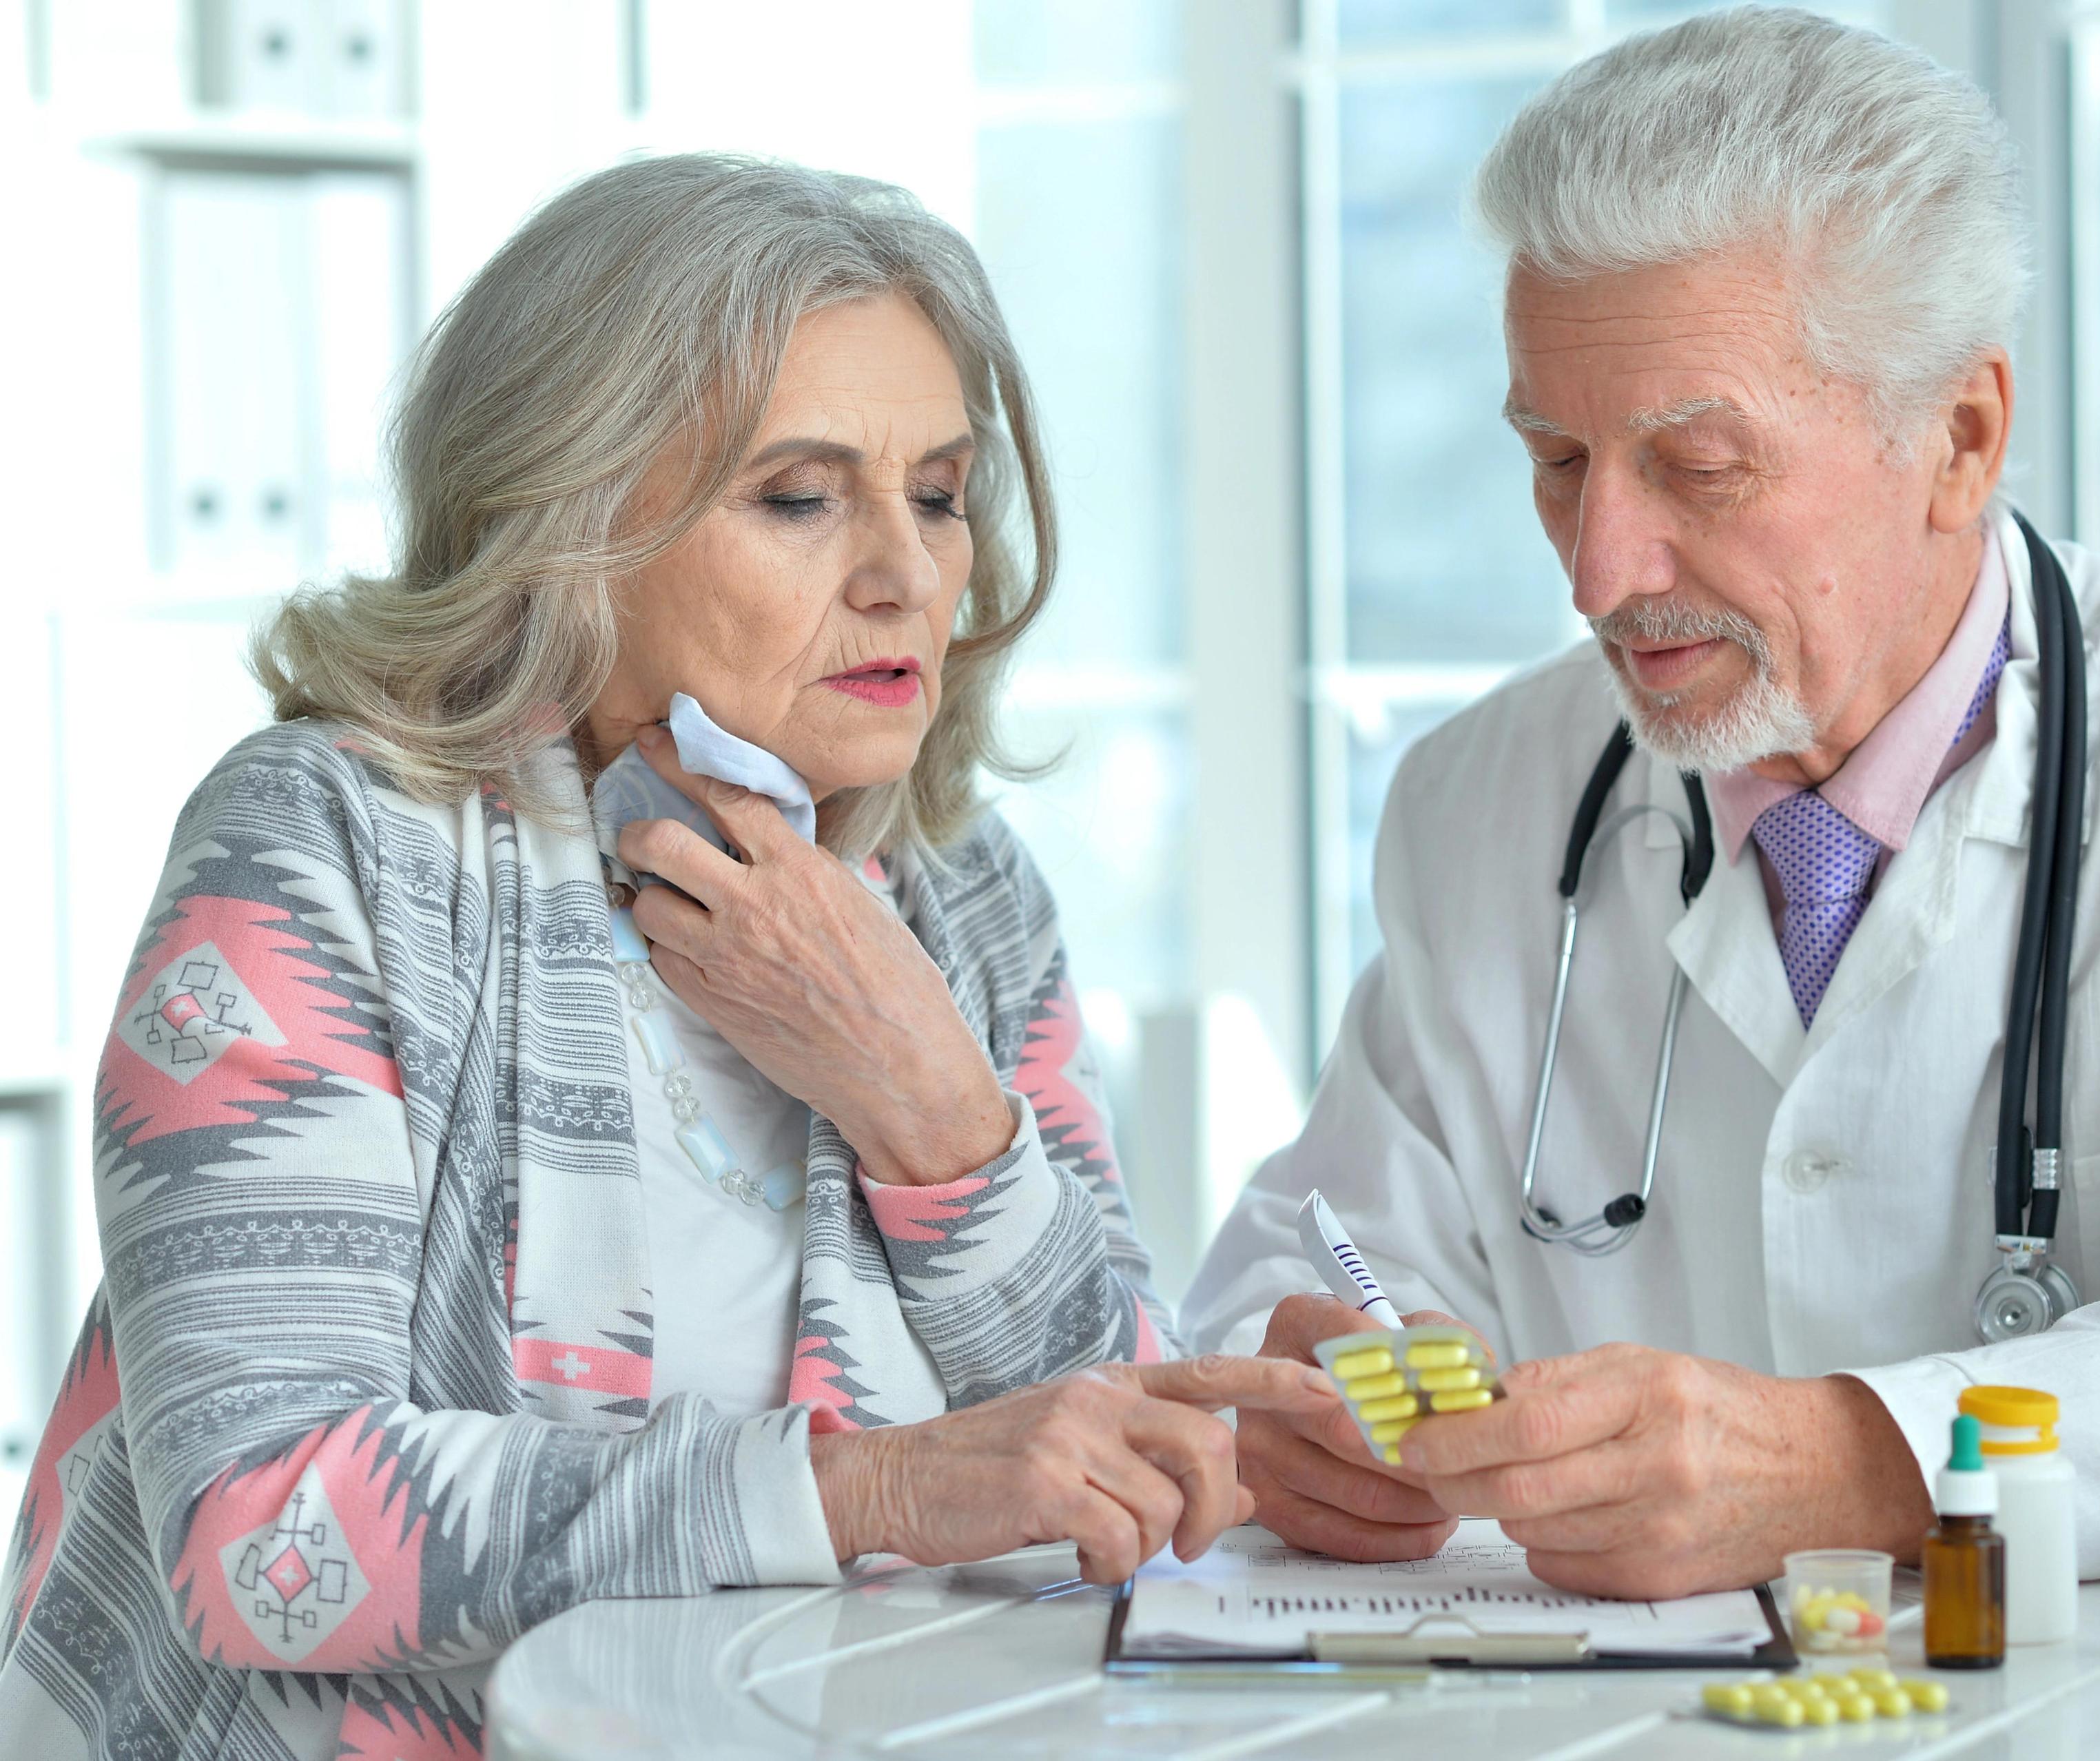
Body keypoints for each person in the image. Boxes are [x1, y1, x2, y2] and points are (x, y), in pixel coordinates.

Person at [1185, 7, 2100, 1601]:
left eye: (1696, 464)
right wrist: (1308, 1400)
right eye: (1557, 458)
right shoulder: (1482, 803)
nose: (1597, 569)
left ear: (1959, 440)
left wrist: (1860, 1459)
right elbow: (1309, 1262)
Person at [0, 154, 1334, 1759]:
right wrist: (870, 1488)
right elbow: (262, 1528)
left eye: (936, 490)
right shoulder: (325, 846)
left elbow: (1106, 1453)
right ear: (569, 524)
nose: (908, 571)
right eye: (798, 494)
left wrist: (936, 1111)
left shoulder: (970, 897)